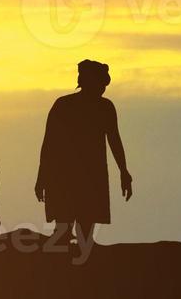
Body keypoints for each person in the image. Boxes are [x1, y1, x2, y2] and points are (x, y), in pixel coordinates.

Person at [35, 60, 132, 248]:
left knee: (85, 230)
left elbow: (114, 140)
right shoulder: (64, 105)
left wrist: (124, 171)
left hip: (90, 175)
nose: (102, 89)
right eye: (100, 84)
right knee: (64, 228)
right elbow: (49, 144)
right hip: (65, 175)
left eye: (104, 85)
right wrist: (42, 177)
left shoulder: (104, 107)